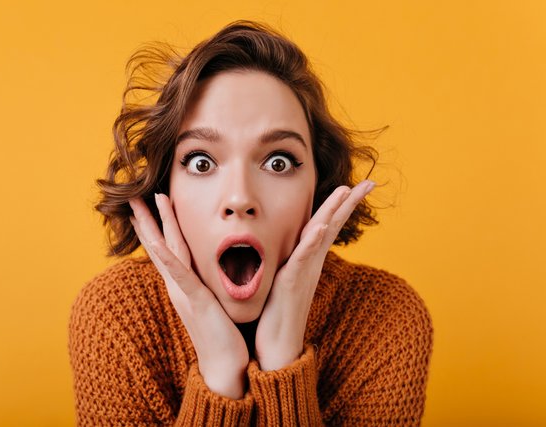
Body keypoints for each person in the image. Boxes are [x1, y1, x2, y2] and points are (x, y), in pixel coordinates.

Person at [68, 20, 434, 426]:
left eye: (278, 162)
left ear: (320, 187)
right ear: (164, 188)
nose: (240, 198)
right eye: (201, 162)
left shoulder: (384, 318)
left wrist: (282, 365)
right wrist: (220, 373)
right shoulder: (116, 319)